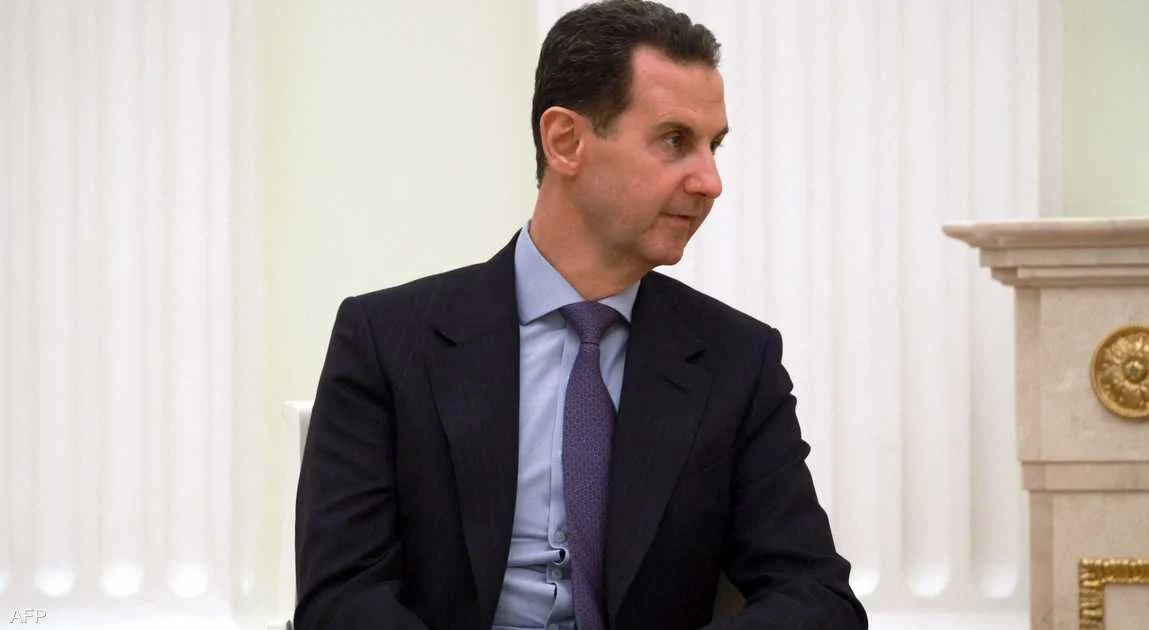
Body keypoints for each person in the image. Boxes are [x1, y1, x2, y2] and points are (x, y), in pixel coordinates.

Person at [294, 1, 867, 628]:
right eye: (675, 141)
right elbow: (341, 596)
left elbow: (816, 597)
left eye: (714, 146)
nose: (710, 180)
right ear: (565, 141)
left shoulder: (738, 360)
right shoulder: (386, 341)